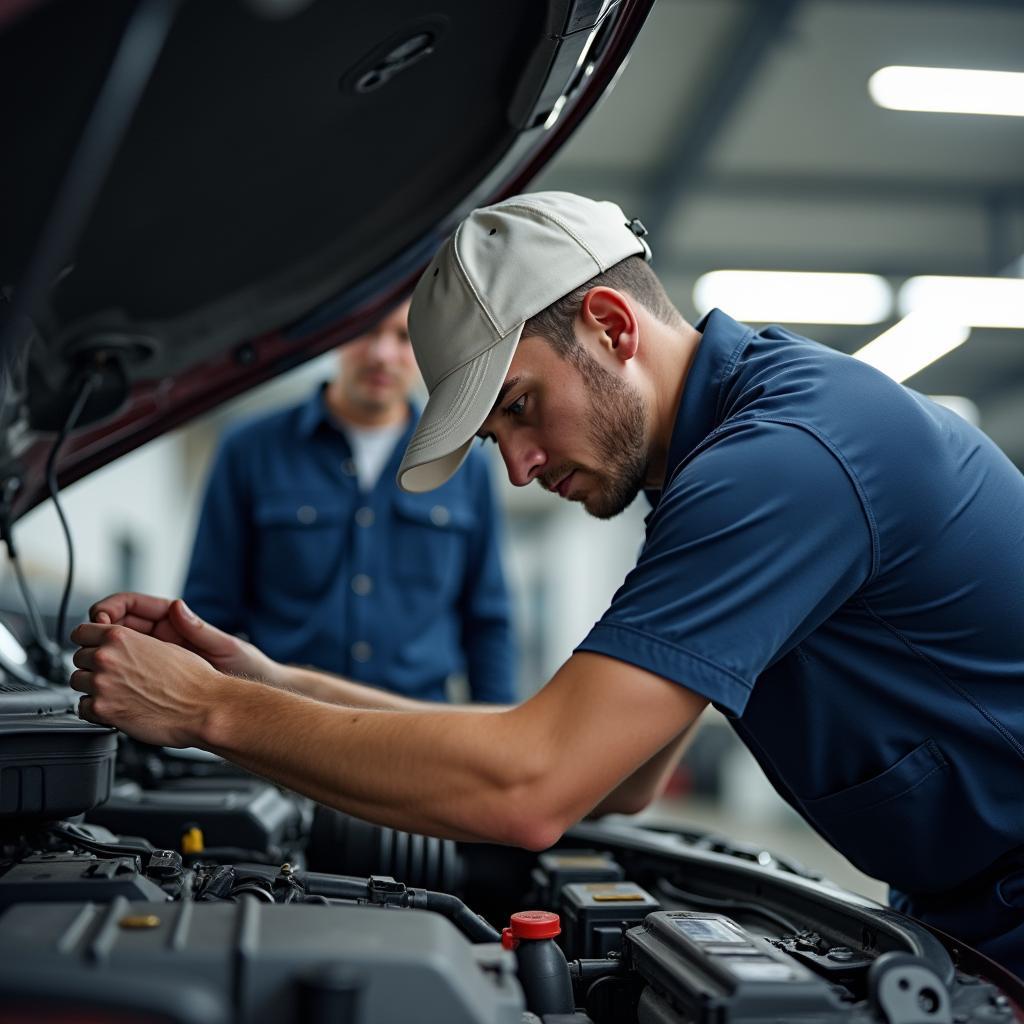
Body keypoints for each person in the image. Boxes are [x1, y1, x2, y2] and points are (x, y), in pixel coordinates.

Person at [71, 192, 1024, 974]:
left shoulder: (780, 465)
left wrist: (208, 714)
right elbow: (621, 776)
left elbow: (536, 784)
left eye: (520, 408)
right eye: (496, 439)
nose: (520, 467)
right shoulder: (723, 462)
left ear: (611, 327)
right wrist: (263, 683)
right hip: (963, 908)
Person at [182, 300, 516, 704]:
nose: (381, 354)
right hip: (279, 728)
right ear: (334, 333)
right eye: (366, 329)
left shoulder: (464, 466)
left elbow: (488, 621)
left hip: (418, 737)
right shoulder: (249, 450)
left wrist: (493, 735)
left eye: (404, 336)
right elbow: (209, 609)